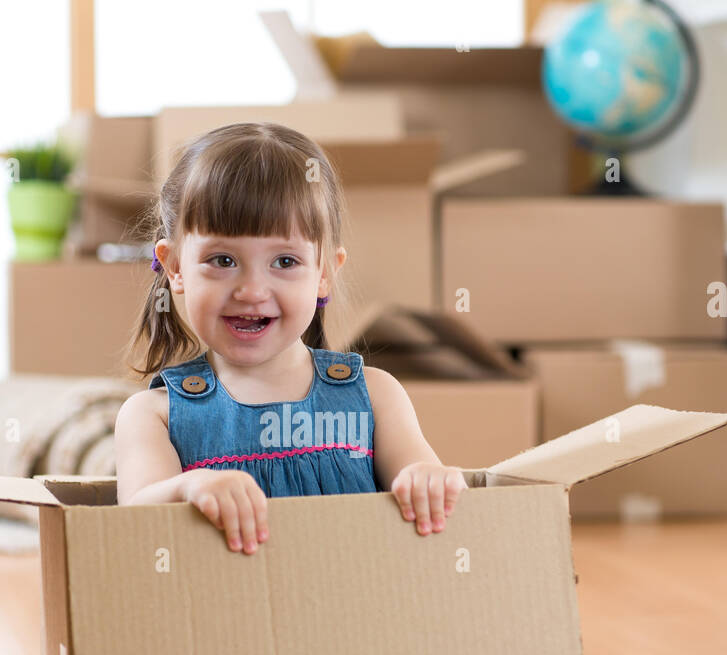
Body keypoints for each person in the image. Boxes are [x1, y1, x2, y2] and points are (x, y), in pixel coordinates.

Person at [114, 121, 466, 555]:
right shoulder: (155, 415)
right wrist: (188, 488)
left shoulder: (375, 397)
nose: (252, 290)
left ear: (324, 273)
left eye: (284, 261)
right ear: (174, 268)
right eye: (222, 259)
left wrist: (427, 479)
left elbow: (423, 476)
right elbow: (132, 517)